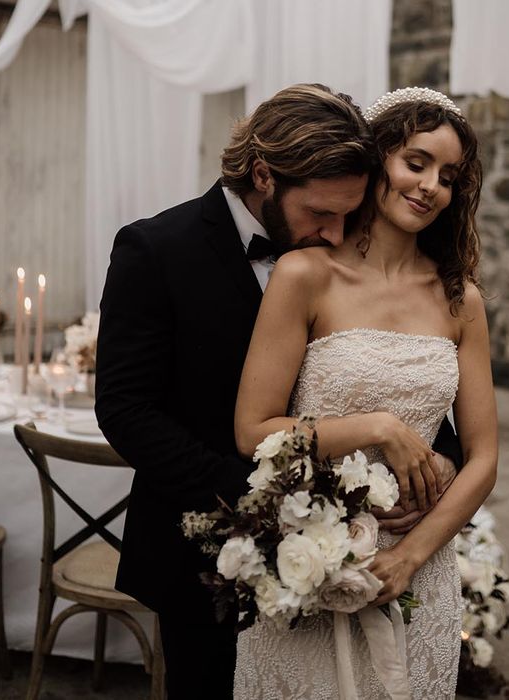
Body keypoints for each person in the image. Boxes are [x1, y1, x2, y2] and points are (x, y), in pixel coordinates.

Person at [94, 84, 462, 699]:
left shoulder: (342, 252)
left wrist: (437, 454)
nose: (335, 230)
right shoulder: (156, 249)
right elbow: (126, 410)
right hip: (204, 554)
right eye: (321, 213)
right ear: (264, 175)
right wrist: (268, 504)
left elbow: (392, 368)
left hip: (354, 553)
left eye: (347, 213)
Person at [233, 87, 498, 698]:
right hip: (311, 553)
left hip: (419, 567)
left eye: (449, 175)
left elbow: (484, 459)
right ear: (377, 159)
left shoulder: (462, 299)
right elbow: (254, 430)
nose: (432, 185)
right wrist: (381, 427)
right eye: (417, 162)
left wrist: (411, 559)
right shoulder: (305, 275)